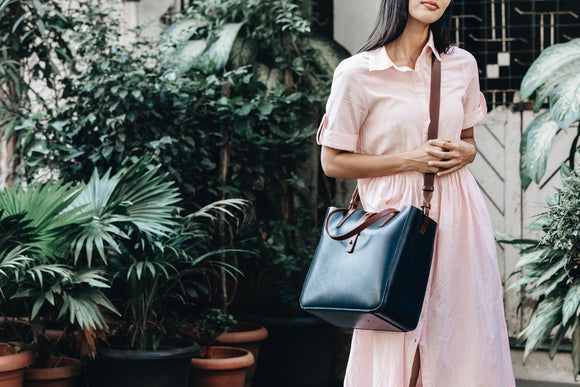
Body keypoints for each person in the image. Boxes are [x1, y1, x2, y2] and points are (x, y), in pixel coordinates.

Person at [316, 0, 516, 386]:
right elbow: (333, 162)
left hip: (458, 215)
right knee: (396, 336)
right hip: (391, 220)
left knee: (459, 335)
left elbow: (469, 141)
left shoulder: (461, 64)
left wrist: (466, 152)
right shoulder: (357, 72)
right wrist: (411, 159)